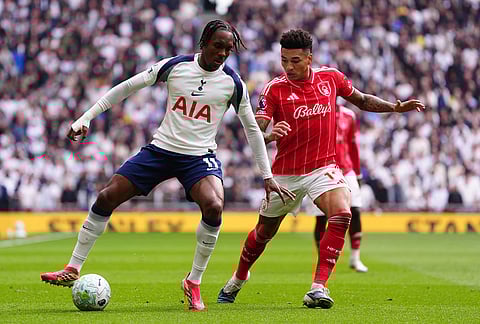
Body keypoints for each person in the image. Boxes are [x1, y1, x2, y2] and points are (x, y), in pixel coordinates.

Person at [40, 20, 295, 312]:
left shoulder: (233, 83)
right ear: (204, 43)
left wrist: (267, 175)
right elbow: (127, 87)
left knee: (214, 206)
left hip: (199, 158)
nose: (223, 53)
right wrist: (87, 116)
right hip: (161, 150)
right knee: (106, 196)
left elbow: (251, 129)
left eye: (229, 49)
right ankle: (73, 268)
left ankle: (194, 281)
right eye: (218, 46)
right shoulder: (176, 66)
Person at [217, 29, 424, 309]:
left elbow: (362, 100)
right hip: (286, 174)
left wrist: (394, 108)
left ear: (309, 59)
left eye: (295, 60)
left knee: (342, 213)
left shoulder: (331, 78)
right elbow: (257, 129)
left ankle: (318, 288)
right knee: (263, 233)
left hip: (322, 168)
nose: (289, 67)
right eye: (284, 60)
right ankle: (239, 278)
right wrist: (269, 135)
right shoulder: (274, 89)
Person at [304, 104, 368, 273]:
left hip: (346, 171)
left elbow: (353, 146)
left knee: (355, 211)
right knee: (321, 218)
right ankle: (323, 258)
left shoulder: (349, 115)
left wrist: (358, 174)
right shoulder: (314, 112)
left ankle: (355, 257)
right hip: (322, 170)